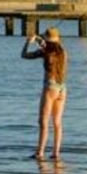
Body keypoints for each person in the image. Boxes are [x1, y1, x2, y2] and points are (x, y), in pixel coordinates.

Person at [21, 27, 68, 161]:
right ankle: (56, 153)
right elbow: (50, 46)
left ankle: (40, 152)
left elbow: (24, 55)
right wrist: (38, 40)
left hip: (50, 87)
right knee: (57, 122)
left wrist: (28, 42)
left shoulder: (44, 51)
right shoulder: (64, 52)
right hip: (63, 88)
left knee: (43, 122)